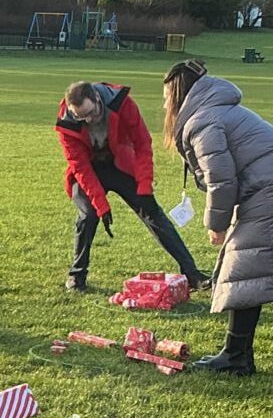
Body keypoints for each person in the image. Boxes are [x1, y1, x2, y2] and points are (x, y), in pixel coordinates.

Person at [163, 58, 273, 375]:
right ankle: (237, 354)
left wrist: (217, 225)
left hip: (265, 190)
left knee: (244, 269)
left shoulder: (202, 121)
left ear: (178, 94)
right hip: (261, 189)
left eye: (166, 97)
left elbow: (221, 180)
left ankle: (236, 357)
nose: (165, 105)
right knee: (249, 270)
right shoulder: (215, 110)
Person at [55, 80, 211, 292]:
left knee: (152, 212)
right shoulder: (67, 123)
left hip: (120, 164)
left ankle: (192, 274)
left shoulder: (123, 104)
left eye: (91, 113)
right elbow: (80, 166)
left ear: (98, 99)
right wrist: (101, 205)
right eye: (81, 117)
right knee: (88, 216)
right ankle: (77, 276)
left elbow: (142, 143)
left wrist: (145, 185)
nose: (88, 120)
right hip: (89, 171)